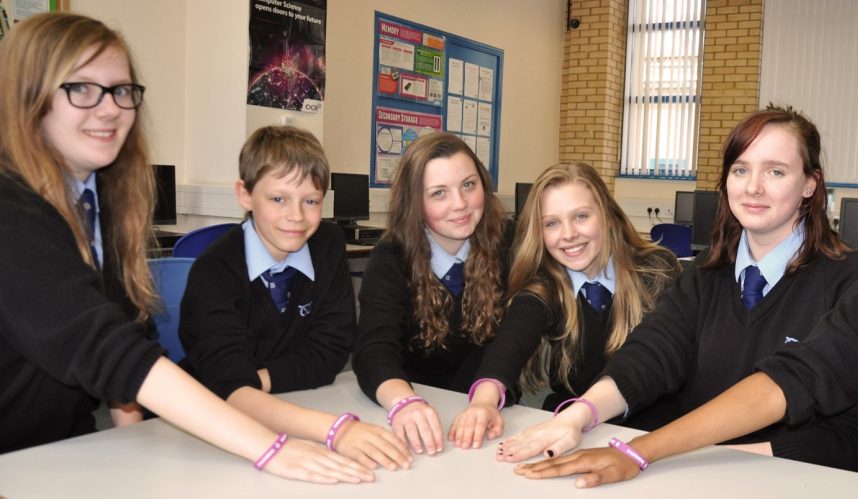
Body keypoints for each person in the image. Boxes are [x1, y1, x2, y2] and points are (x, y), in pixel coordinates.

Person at [514, 75, 858, 497]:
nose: (753, 187)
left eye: (775, 171)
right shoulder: (707, 278)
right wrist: (582, 415)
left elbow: (841, 421)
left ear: (809, 185)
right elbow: (658, 355)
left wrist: (680, 454)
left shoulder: (856, 282)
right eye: (741, 169)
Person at [0, 12, 372, 483]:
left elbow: (127, 337)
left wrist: (133, 452)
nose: (110, 108)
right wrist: (272, 448)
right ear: (27, 96)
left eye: (121, 90)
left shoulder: (101, 201)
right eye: (81, 88)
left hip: (63, 444)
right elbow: (104, 349)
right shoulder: (11, 206)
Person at [178, 125, 411, 472]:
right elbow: (229, 391)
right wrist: (335, 430)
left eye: (311, 201)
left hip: (293, 405)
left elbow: (331, 351)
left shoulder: (327, 243)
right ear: (245, 194)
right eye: (278, 199)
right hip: (207, 435)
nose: (297, 216)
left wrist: (257, 380)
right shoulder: (215, 271)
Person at [448, 162, 682, 450]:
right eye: (552, 223)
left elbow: (666, 362)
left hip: (654, 434)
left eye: (581, 216)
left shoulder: (656, 271)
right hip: (577, 432)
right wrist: (484, 400)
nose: (568, 234)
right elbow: (512, 340)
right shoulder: (546, 285)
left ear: (608, 216)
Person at [352, 132, 511, 456]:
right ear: (415, 202)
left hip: (493, 411)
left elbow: (509, 341)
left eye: (469, 184)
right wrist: (404, 403)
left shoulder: (509, 243)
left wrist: (484, 400)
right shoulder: (392, 257)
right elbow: (373, 350)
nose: (460, 204)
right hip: (419, 414)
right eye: (439, 193)